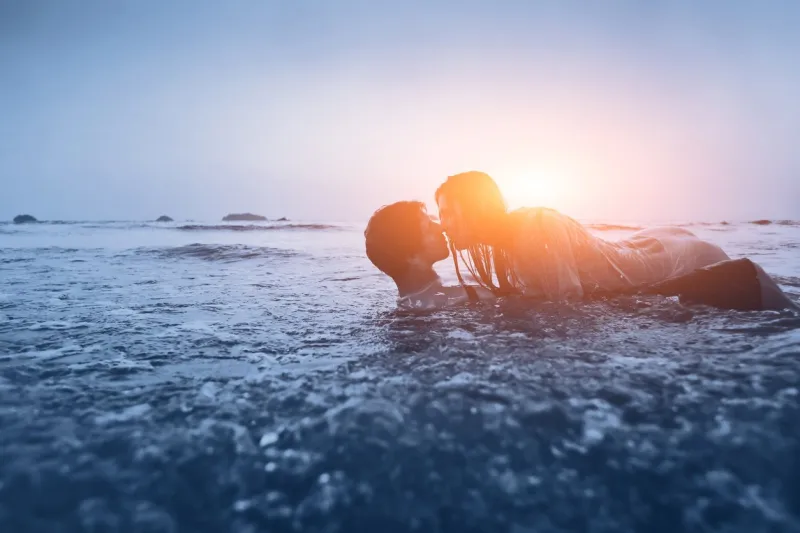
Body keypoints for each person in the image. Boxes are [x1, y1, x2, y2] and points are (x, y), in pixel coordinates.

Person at [434, 170, 797, 311]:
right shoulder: (508, 243)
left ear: (475, 208)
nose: (443, 224)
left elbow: (567, 310)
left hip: (686, 259)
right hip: (649, 248)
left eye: (448, 212)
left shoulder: (533, 228)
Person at [364, 201, 493, 309]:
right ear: (411, 257)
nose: (441, 228)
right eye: (429, 226)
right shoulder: (466, 297)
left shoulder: (408, 304)